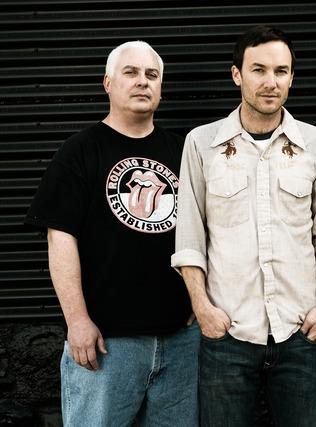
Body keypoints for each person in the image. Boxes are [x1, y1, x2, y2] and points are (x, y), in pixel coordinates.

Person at [171, 25, 316, 427]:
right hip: (228, 332)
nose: (271, 82)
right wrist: (203, 309)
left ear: (292, 78)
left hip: (300, 331)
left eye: (281, 71)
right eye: (259, 70)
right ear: (237, 74)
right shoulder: (202, 143)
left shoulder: (315, 144)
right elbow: (190, 237)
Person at [24, 41, 198, 426]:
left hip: (180, 343)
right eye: (130, 73)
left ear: (161, 87)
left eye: (152, 75)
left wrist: (199, 303)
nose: (142, 82)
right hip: (107, 343)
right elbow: (60, 239)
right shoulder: (80, 151)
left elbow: (207, 232)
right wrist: (77, 320)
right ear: (108, 83)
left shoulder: (184, 152)